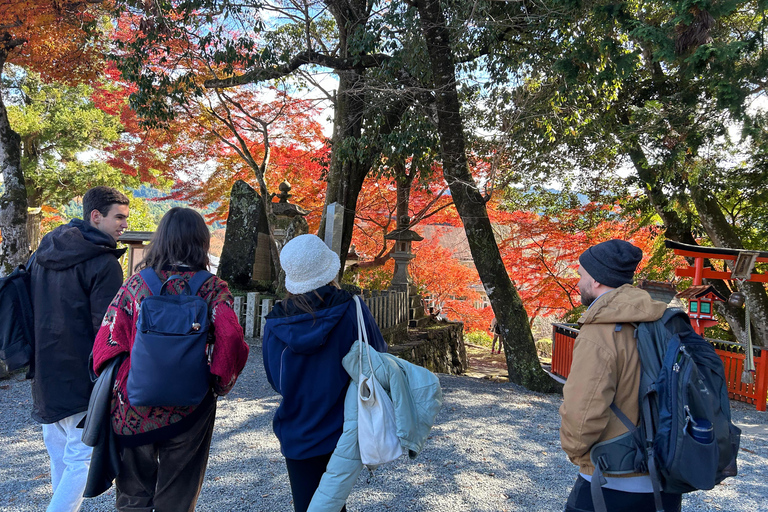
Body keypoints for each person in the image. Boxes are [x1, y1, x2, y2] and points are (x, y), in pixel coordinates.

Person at [91, 207, 250, 512]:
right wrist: (220, 382)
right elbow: (230, 337)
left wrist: (120, 381)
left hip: (133, 406)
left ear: (160, 240)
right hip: (190, 408)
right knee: (178, 496)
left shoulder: (135, 285)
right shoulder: (212, 288)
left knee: (133, 496)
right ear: (201, 242)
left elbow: (108, 340)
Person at [262, 234, 388, 512]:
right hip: (348, 426)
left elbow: (275, 379)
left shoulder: (276, 322)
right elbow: (378, 356)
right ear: (328, 270)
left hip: (298, 428)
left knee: (310, 505)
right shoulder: (352, 309)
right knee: (333, 503)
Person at [559, 239, 682, 512]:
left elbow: (583, 410)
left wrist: (577, 452)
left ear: (598, 281)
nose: (578, 282)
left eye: (581, 275)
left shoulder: (600, 331)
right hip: (665, 482)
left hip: (610, 481)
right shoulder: (664, 322)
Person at [29, 186, 130, 512]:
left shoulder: (43, 254)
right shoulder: (103, 263)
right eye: (119, 217)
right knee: (82, 461)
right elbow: (109, 330)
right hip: (82, 377)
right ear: (95, 216)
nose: (123, 225)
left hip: (45, 374)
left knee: (62, 460)